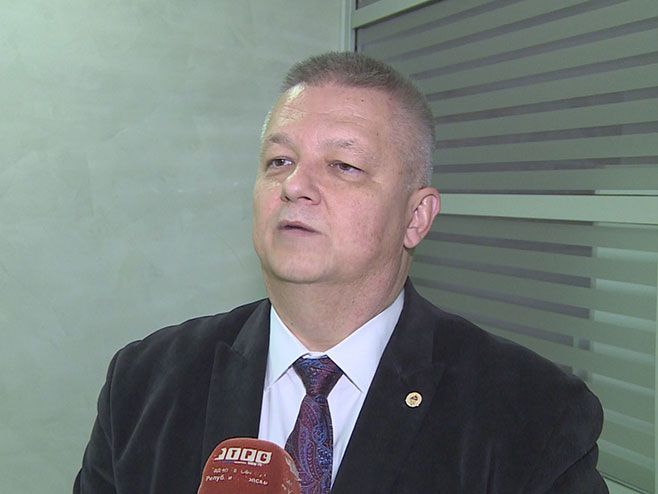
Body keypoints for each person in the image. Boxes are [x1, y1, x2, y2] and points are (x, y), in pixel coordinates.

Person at [74, 52, 607, 493]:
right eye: (279, 161)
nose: (294, 186)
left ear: (416, 218)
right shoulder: (144, 383)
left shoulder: (532, 415)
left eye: (343, 166)